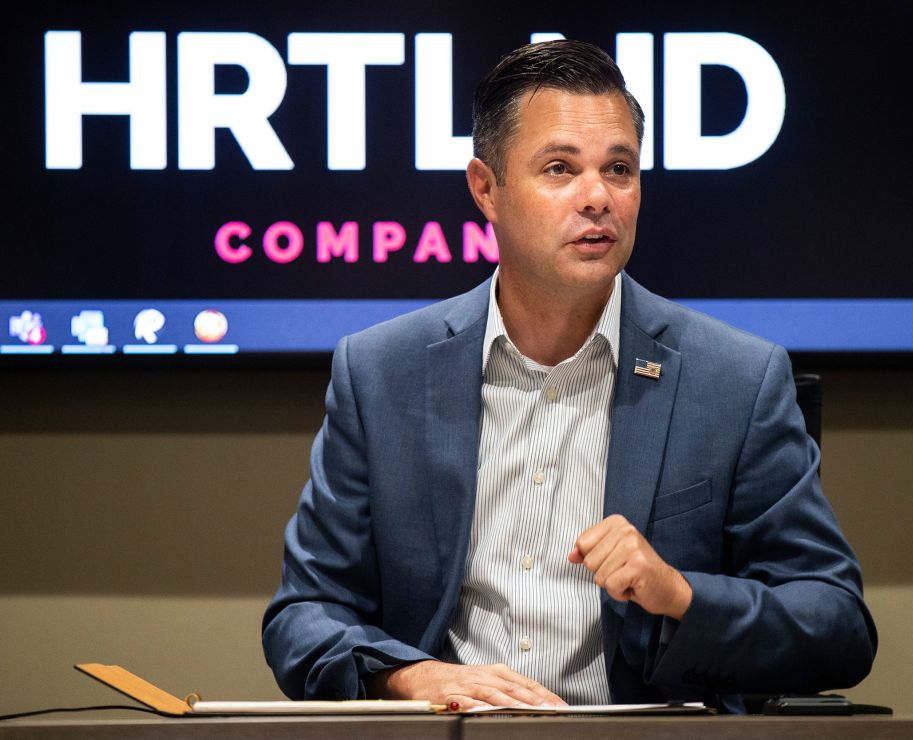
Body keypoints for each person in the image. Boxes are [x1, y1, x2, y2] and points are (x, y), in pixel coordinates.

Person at [262, 39, 876, 713]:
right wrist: (414, 679)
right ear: (486, 189)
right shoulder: (381, 374)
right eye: (559, 168)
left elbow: (837, 625)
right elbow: (304, 616)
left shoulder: (734, 378)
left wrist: (681, 596)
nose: (597, 198)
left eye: (619, 169)